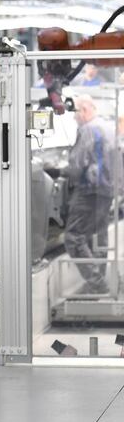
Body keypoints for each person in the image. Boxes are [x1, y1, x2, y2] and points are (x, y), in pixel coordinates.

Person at [65, 95, 122, 295]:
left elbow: (76, 165)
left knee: (73, 237)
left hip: (89, 191)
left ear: (85, 110)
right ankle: (102, 282)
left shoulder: (88, 129)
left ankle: (97, 284)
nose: (74, 118)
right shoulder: (108, 128)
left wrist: (60, 172)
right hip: (107, 191)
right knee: (98, 236)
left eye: (75, 113)